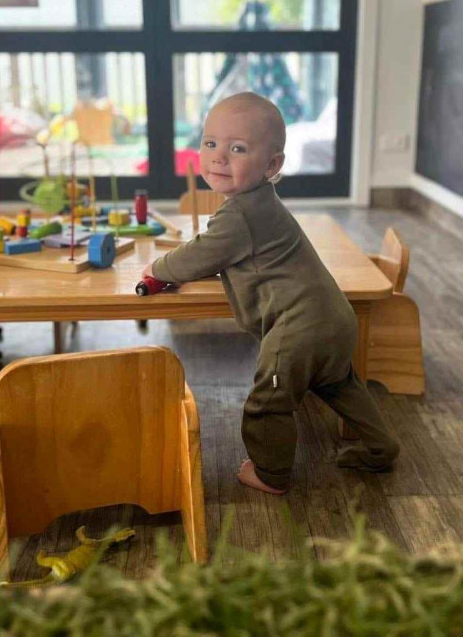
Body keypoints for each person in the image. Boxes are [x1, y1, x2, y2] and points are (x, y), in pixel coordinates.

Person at [142, 92, 399, 494]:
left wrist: (157, 268)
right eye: (210, 143)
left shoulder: (241, 212)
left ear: (272, 165)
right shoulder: (260, 205)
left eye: (238, 148)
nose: (218, 157)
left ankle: (271, 473)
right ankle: (382, 448)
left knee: (268, 401)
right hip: (334, 317)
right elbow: (230, 255)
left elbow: (200, 255)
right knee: (340, 385)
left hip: (298, 329)